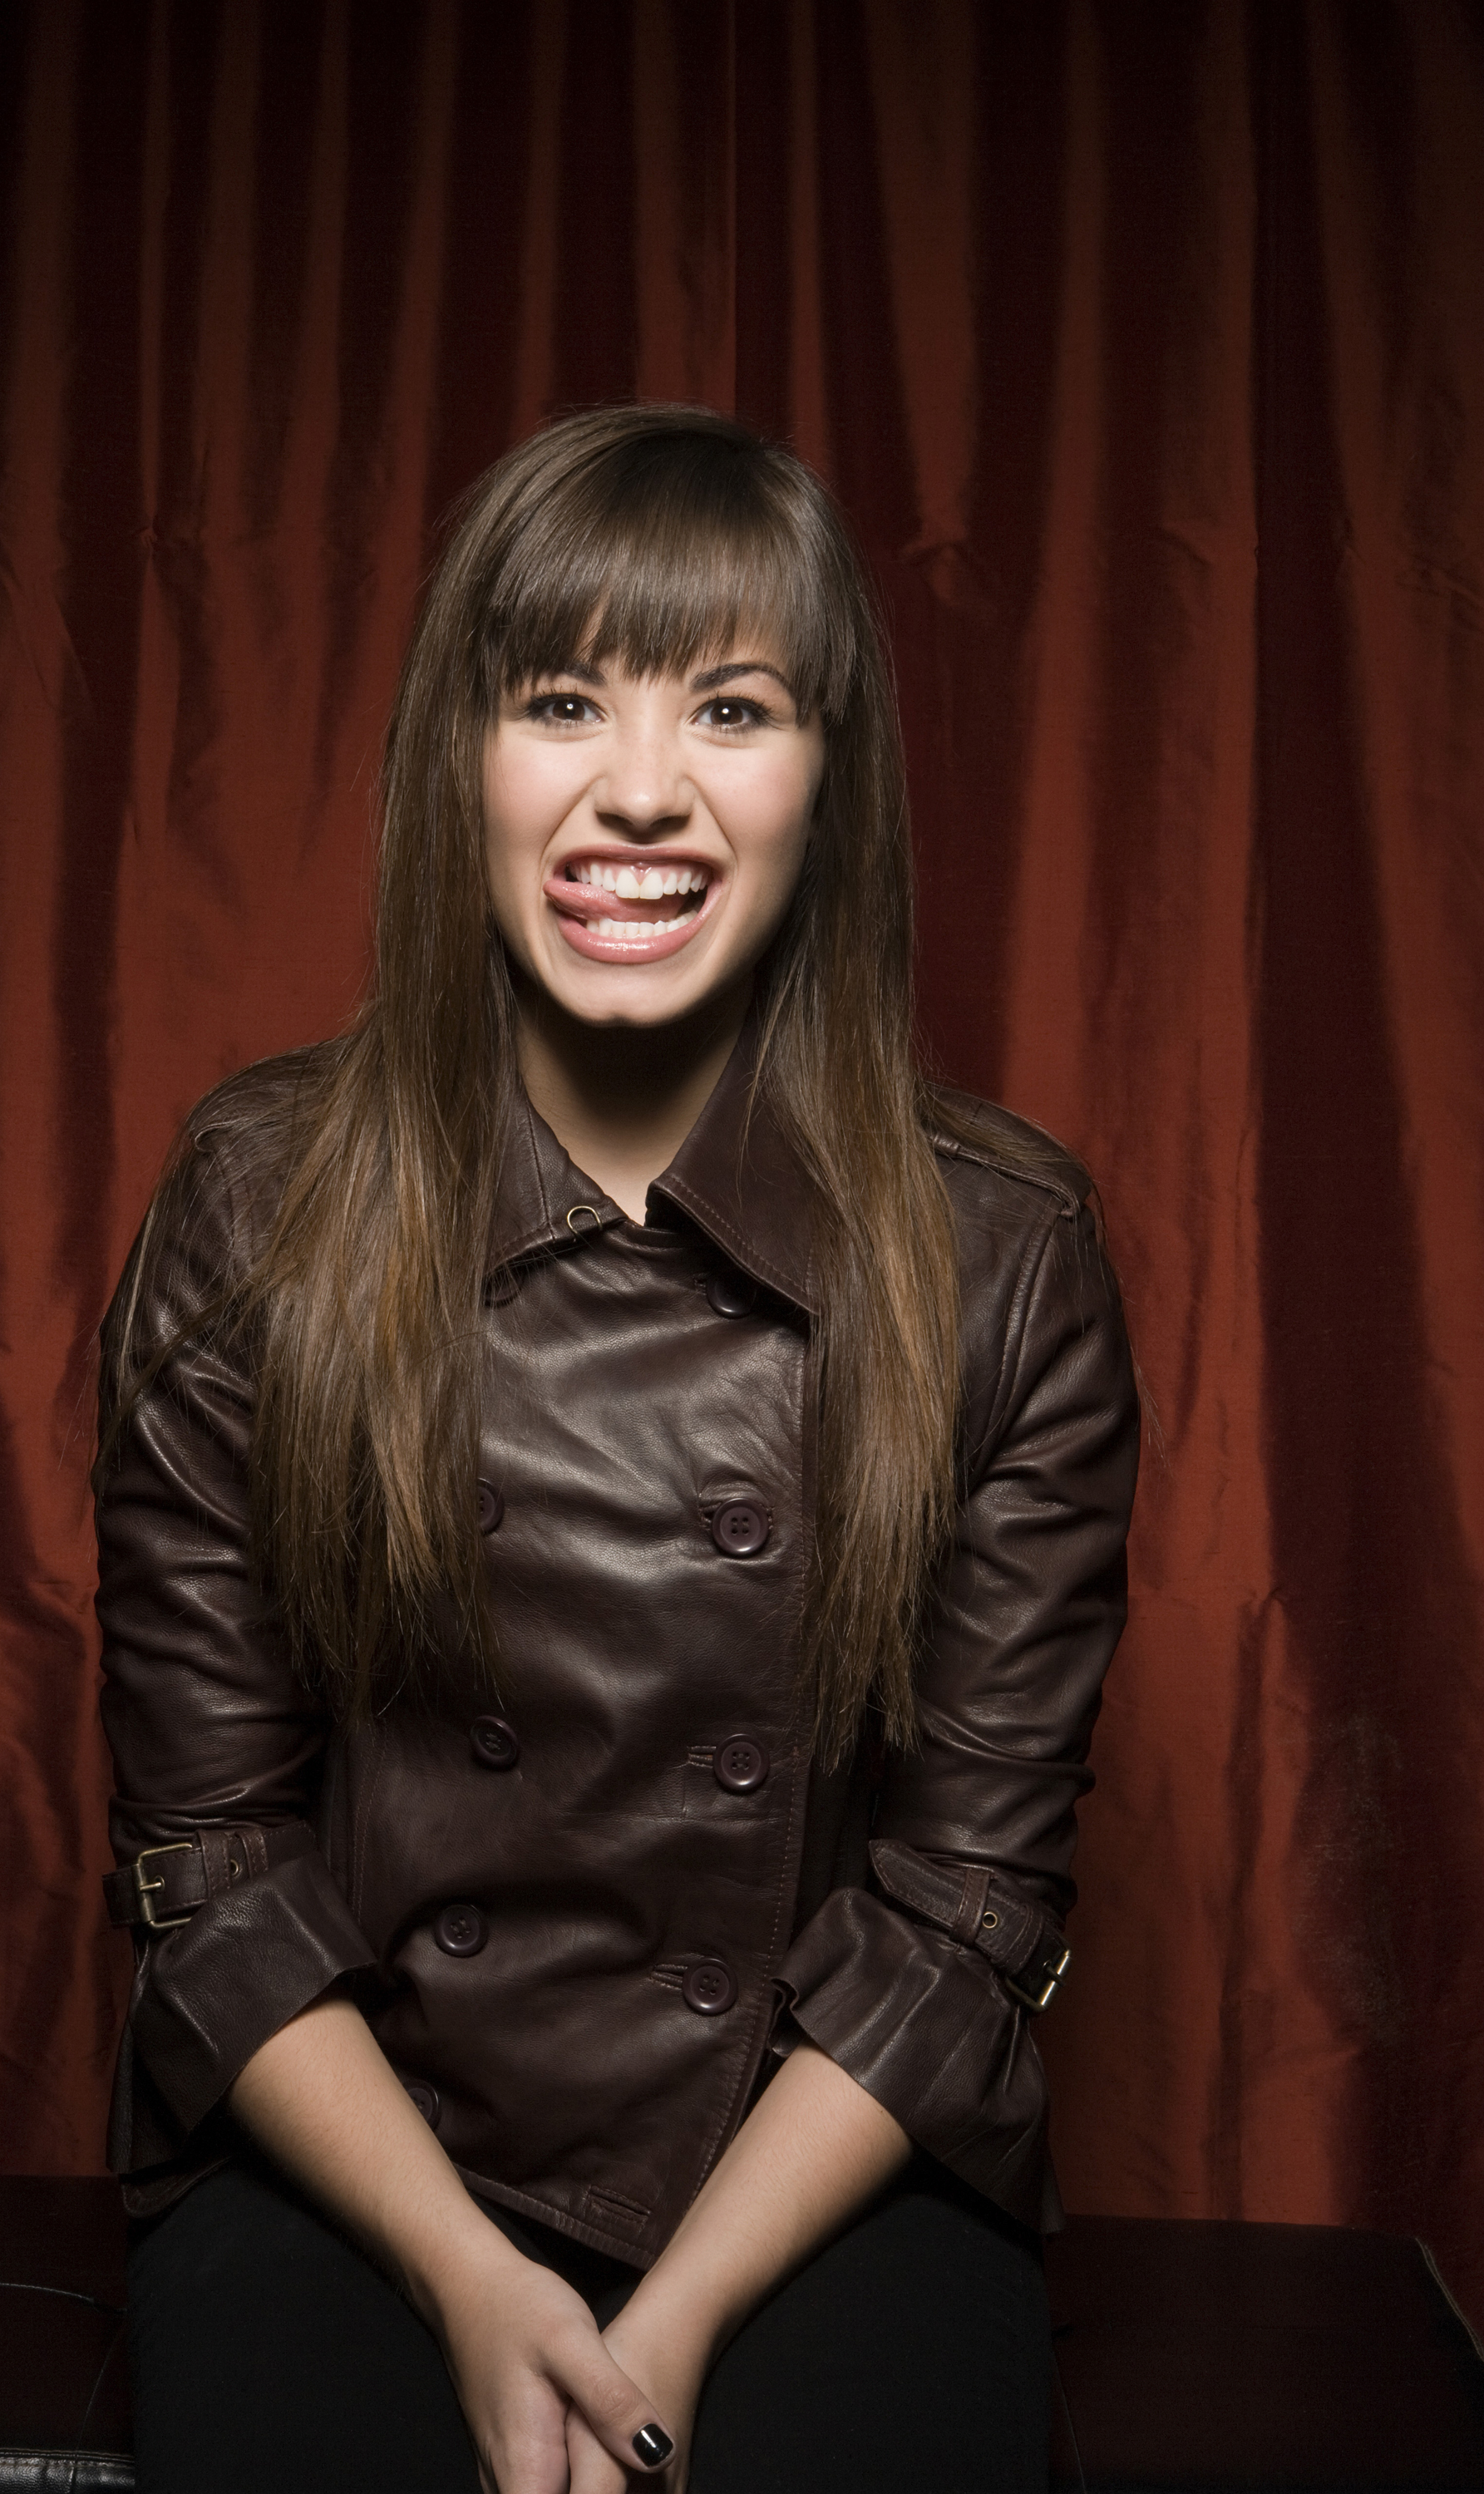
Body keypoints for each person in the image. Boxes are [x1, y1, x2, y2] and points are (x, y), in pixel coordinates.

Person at [95, 403, 1140, 2494]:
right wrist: (472, 2285)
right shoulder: (255, 1204)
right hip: (354, 2151)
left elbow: (962, 1910)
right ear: (458, 760)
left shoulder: (1005, 1256)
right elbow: (212, 1864)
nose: (641, 788)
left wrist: (660, 2335)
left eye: (731, 708)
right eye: (561, 699)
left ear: (827, 781)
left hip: (819, 2162)